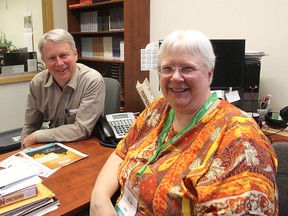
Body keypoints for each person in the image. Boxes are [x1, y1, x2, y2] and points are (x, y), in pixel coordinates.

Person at [90, 30, 278, 215]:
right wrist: (99, 198)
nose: (176, 77)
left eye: (187, 68)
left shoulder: (240, 139)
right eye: (167, 68)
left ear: (209, 74)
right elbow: (122, 152)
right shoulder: (159, 108)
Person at [21, 29, 105, 147]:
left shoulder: (92, 80)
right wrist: (22, 154)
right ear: (44, 61)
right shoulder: (37, 83)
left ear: (75, 54)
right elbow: (30, 126)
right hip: (53, 146)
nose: (59, 63)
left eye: (63, 55)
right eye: (51, 58)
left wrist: (38, 136)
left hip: (86, 145)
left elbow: (82, 129)